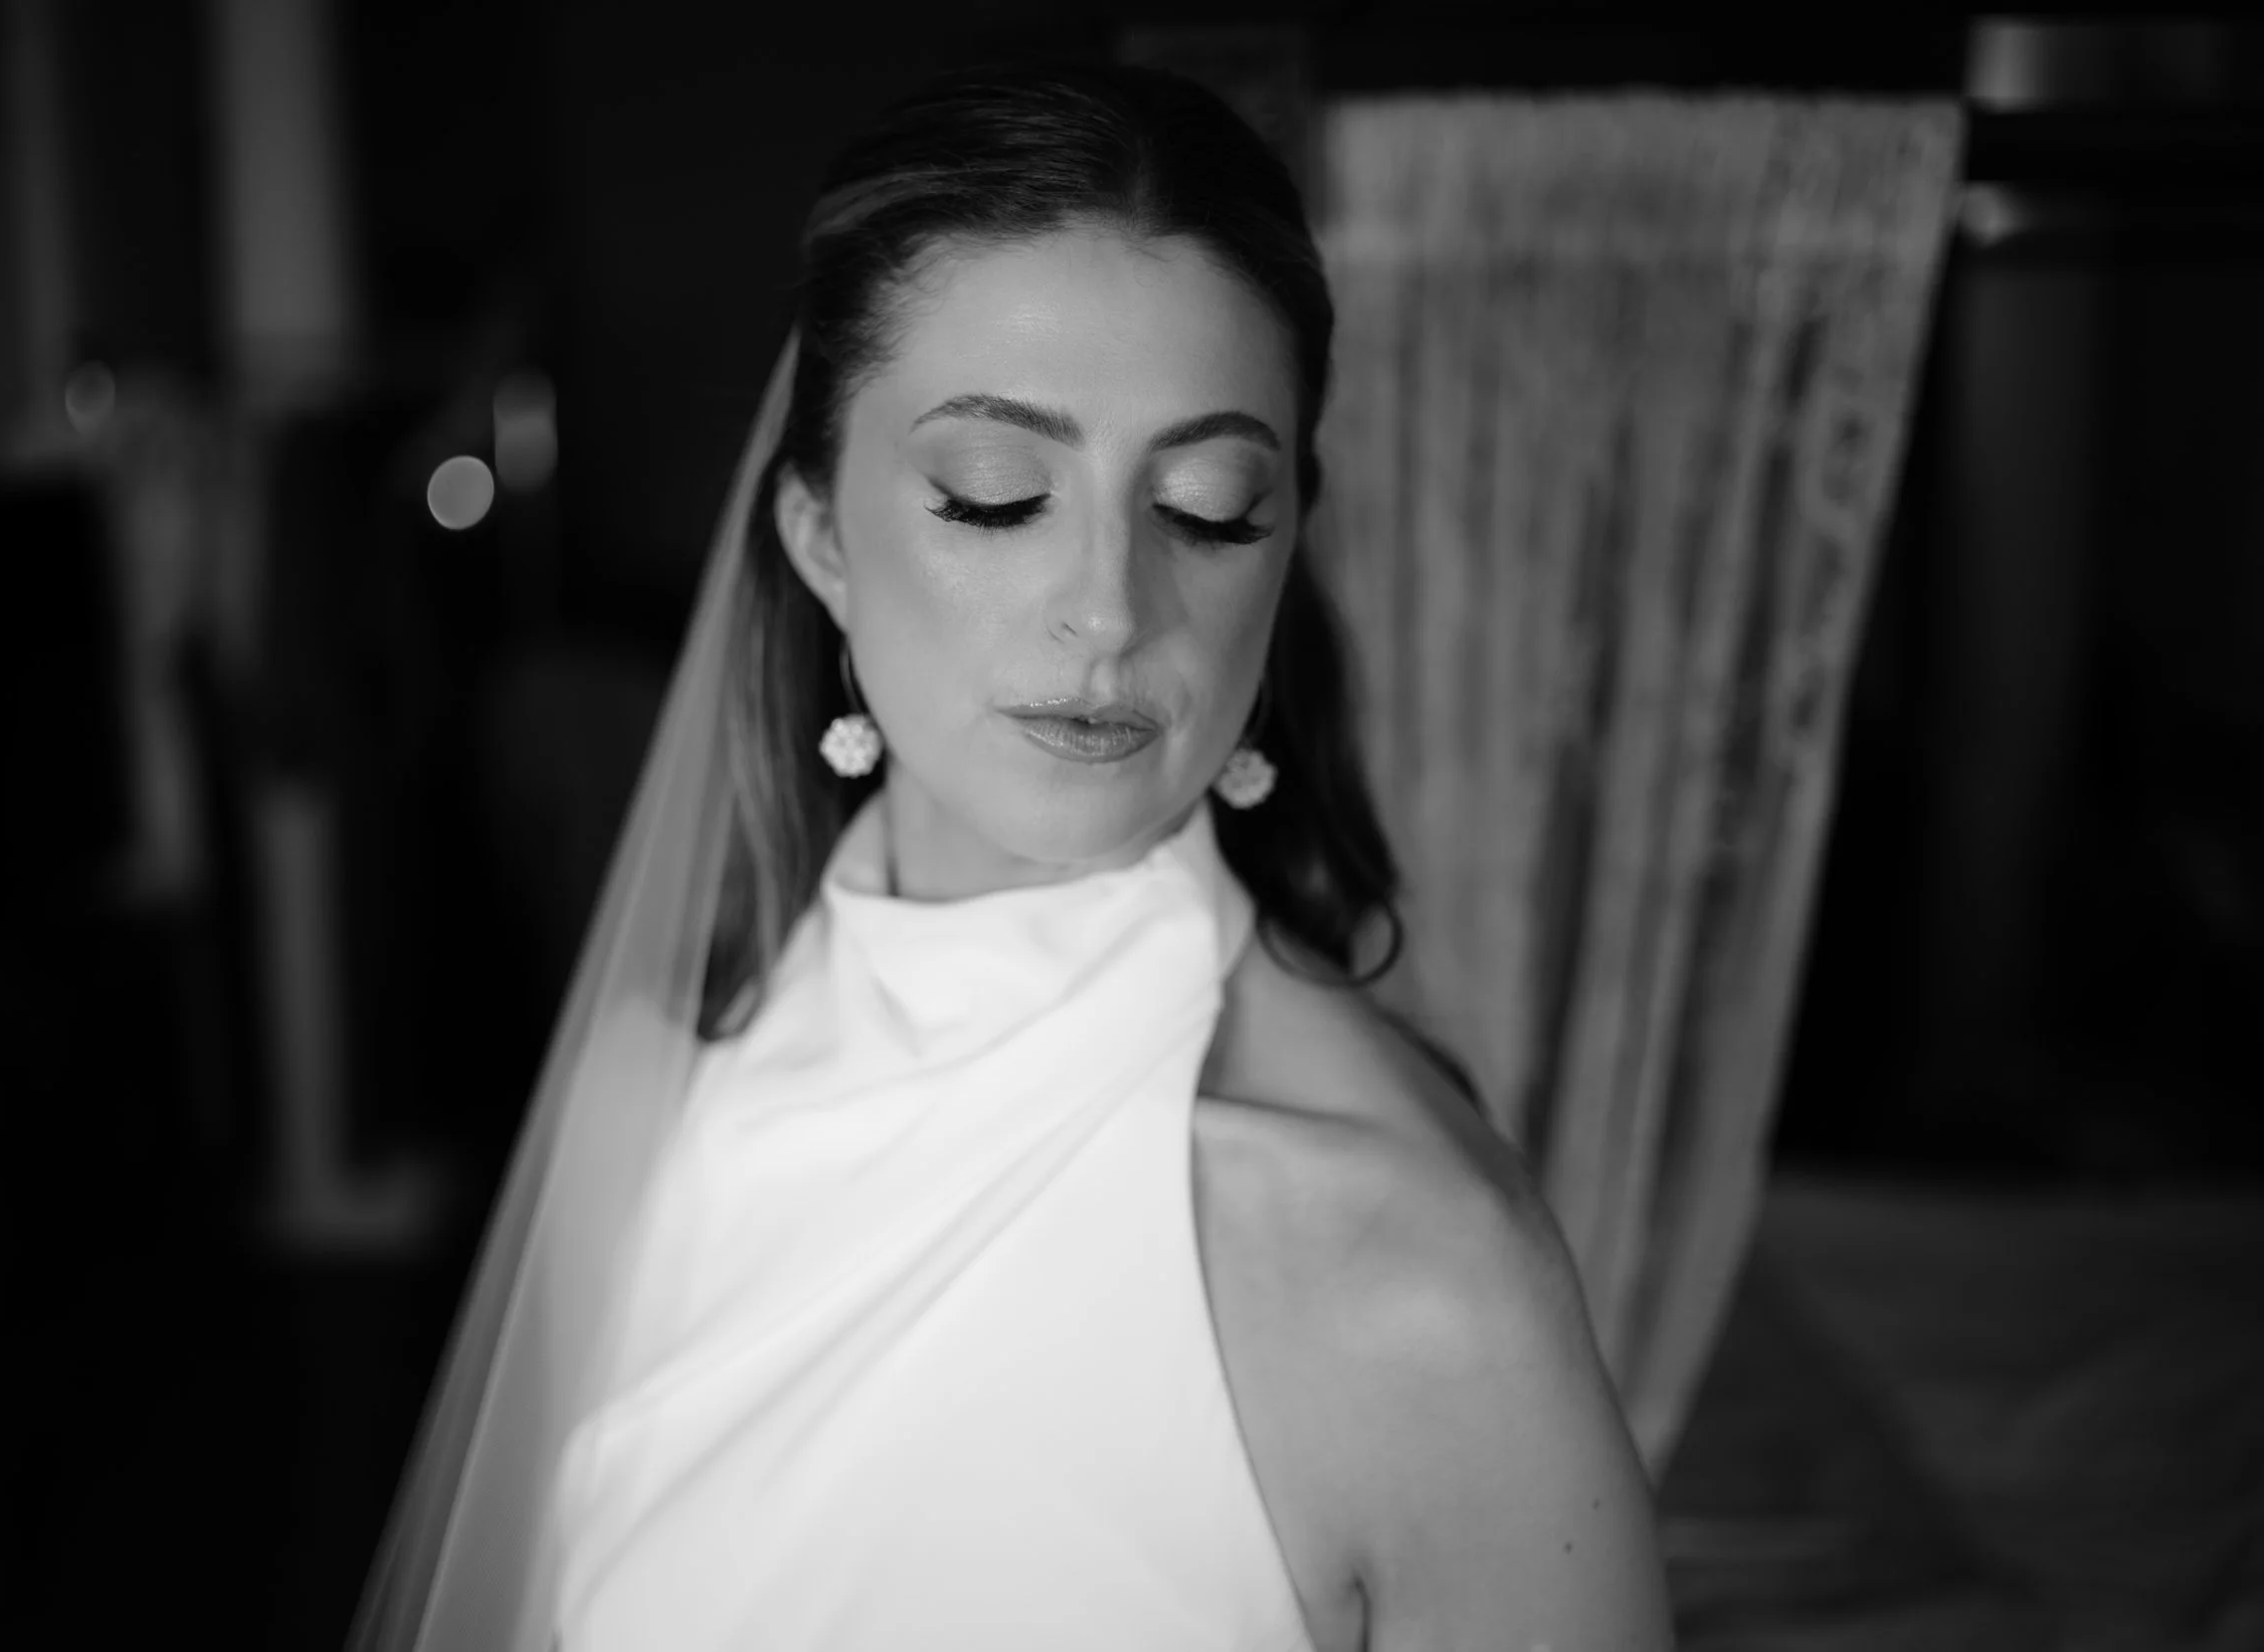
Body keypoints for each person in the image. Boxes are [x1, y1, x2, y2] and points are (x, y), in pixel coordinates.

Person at [355, 61, 1671, 1652]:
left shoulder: (1413, 1284)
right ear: (820, 537)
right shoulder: (652, 1111)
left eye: (1207, 504)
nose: (1111, 608)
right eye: (996, 496)